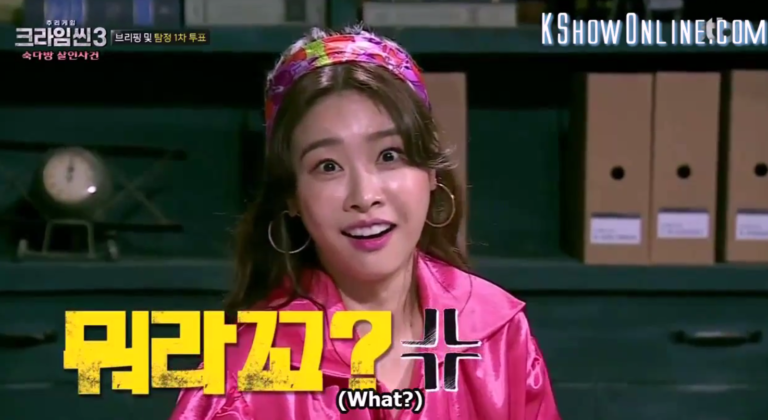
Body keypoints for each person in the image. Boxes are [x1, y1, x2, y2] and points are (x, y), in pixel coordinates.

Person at [169, 25, 560, 420]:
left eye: (389, 155)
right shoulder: (238, 383)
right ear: (292, 197)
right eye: (328, 166)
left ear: (431, 172)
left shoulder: (497, 333)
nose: (364, 195)